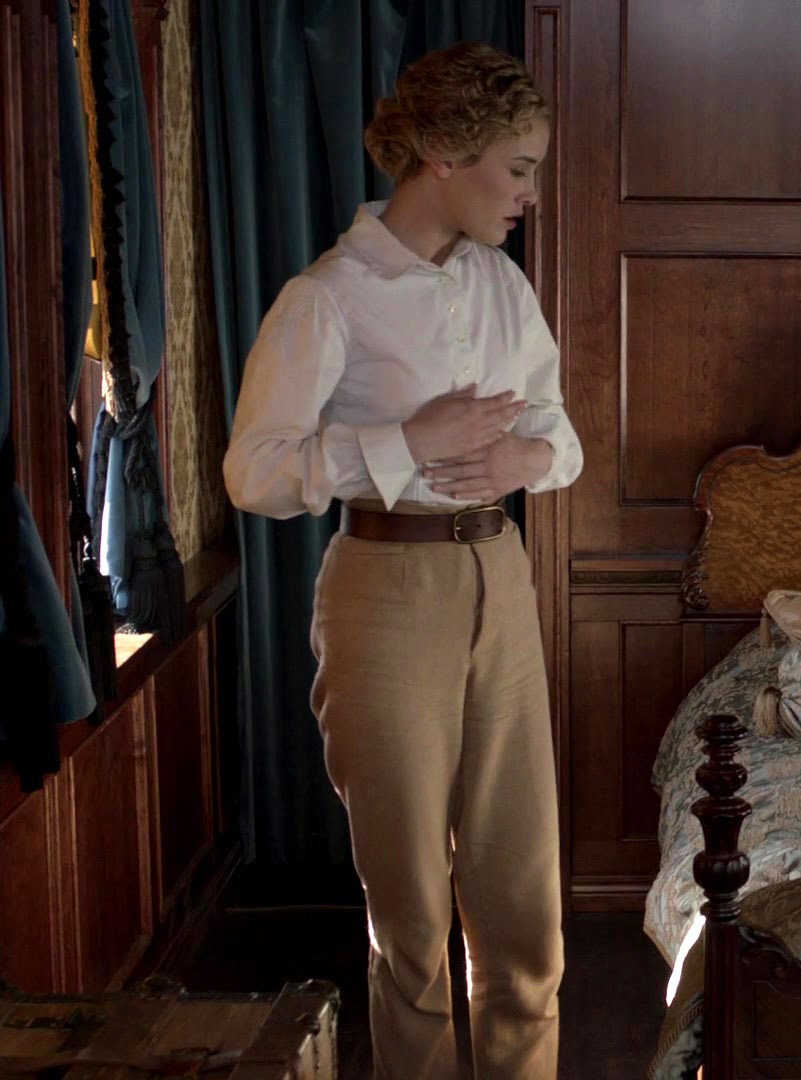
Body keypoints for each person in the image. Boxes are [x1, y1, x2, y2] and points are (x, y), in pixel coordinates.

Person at [222, 41, 579, 1080]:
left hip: (498, 575)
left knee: (523, 904)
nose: (529, 193)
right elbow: (253, 472)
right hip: (383, 591)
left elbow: (560, 436)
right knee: (412, 915)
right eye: (517, 168)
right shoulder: (327, 297)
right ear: (441, 151)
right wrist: (404, 444)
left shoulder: (503, 284)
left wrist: (527, 459)